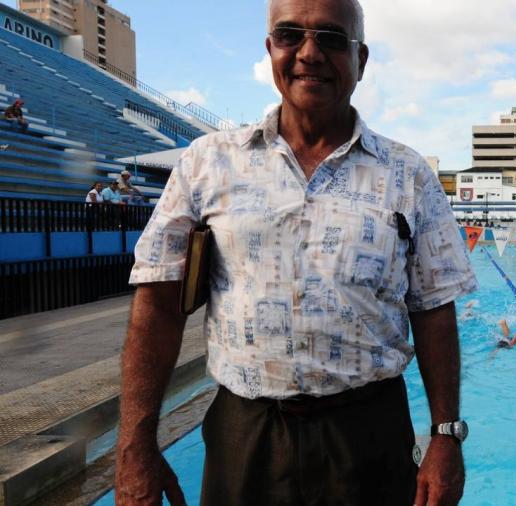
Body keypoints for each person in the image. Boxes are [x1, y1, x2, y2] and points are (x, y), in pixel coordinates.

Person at [115, 1, 477, 505]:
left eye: (331, 39)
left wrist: (445, 435)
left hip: (369, 431)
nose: (309, 53)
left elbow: (435, 309)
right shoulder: (209, 164)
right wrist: (135, 445)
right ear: (270, 50)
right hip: (246, 432)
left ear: (361, 59)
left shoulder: (407, 173)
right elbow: (156, 305)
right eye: (290, 36)